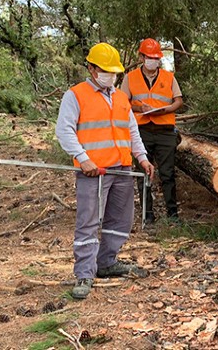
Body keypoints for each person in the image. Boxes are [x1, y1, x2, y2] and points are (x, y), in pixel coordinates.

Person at [56, 42, 155, 299]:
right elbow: (64, 130)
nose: (110, 76)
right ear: (91, 68)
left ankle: (107, 263)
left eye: (114, 72)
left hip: (122, 168)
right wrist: (82, 158)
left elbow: (131, 131)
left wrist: (142, 158)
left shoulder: (122, 98)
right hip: (94, 171)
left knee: (120, 220)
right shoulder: (75, 95)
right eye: (105, 70)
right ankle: (85, 273)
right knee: (88, 222)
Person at [121, 38, 184, 223]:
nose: (152, 60)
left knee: (168, 173)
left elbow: (178, 100)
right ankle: (147, 216)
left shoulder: (169, 77)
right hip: (141, 131)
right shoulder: (130, 77)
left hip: (165, 129)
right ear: (141, 57)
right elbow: (123, 103)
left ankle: (172, 215)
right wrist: (140, 109)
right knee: (143, 173)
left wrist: (167, 109)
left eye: (155, 57)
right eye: (149, 57)